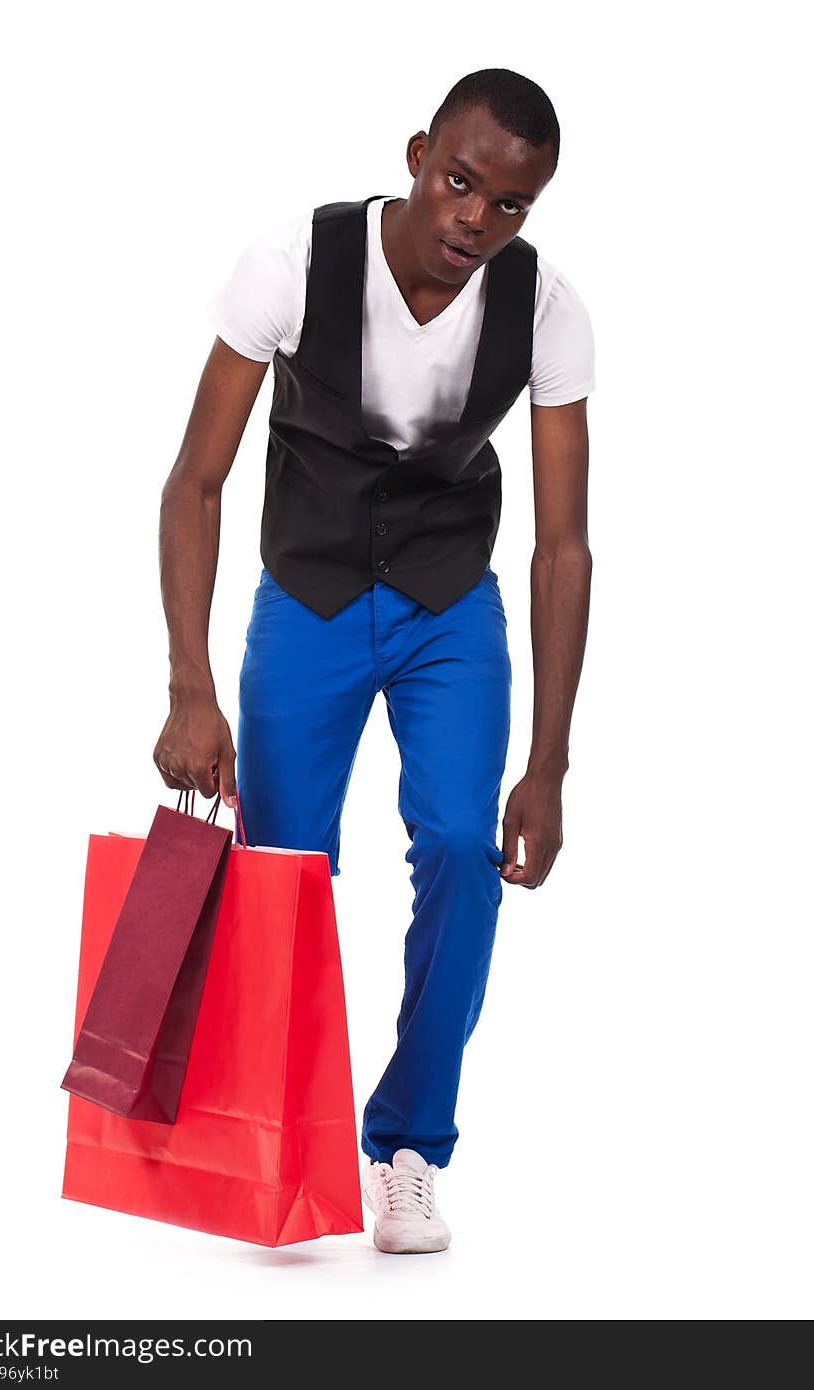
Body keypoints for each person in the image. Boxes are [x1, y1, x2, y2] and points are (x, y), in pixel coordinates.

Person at [153, 67, 594, 1255]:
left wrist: (548, 763)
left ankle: (409, 1147)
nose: (475, 221)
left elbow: (562, 547)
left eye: (510, 205)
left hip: (451, 604)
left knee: (459, 844)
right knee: (282, 872)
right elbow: (196, 480)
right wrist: (190, 687)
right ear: (416, 155)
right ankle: (281, 1147)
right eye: (460, 182)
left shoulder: (545, 309)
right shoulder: (291, 263)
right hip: (309, 592)